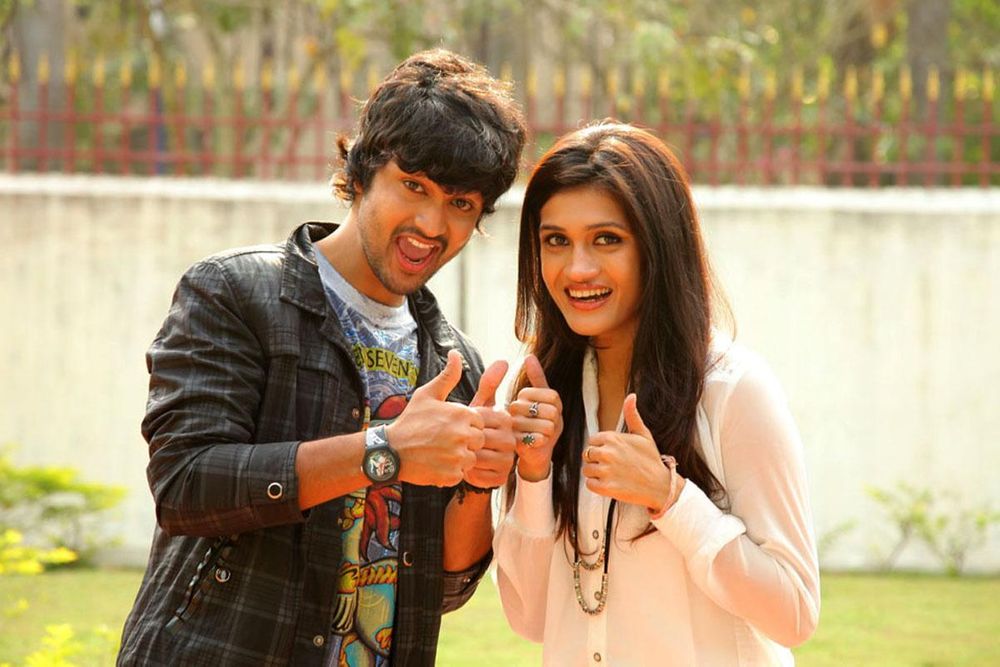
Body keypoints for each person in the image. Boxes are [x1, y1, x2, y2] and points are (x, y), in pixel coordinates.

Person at [118, 49, 526, 667]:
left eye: (460, 203)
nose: (431, 222)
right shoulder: (237, 292)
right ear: (361, 174)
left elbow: (438, 589)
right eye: (413, 186)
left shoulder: (455, 364)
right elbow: (186, 484)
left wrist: (478, 482)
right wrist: (386, 451)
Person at [494, 122, 820, 666]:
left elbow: (794, 613)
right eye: (556, 241)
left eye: (607, 239)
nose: (577, 269)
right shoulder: (547, 392)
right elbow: (530, 620)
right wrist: (533, 474)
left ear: (658, 246)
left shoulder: (732, 391)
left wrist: (670, 498)